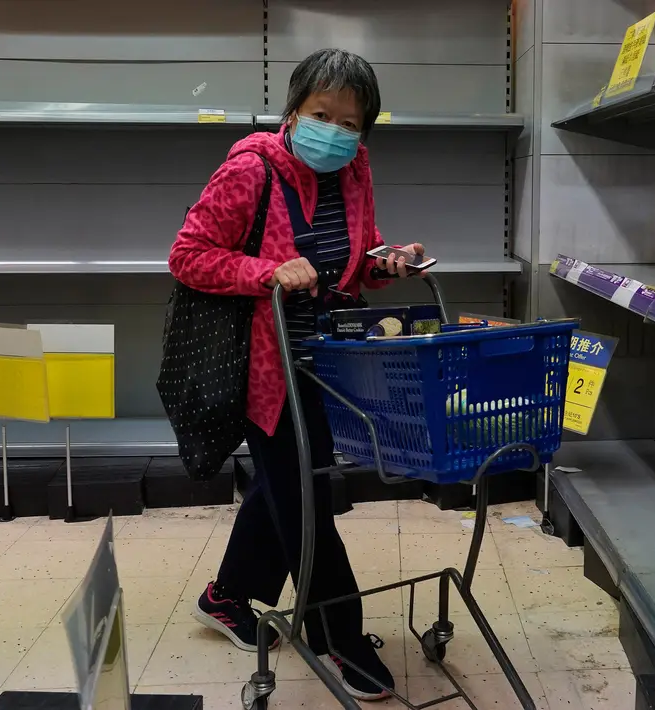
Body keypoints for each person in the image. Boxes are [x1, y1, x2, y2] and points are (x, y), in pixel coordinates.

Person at [169, 48, 423, 701]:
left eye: (350, 121)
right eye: (320, 113)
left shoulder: (353, 171)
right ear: (292, 109)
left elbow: (351, 262)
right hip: (267, 365)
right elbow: (188, 256)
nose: (334, 131)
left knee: (286, 484)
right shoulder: (250, 170)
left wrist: (387, 262)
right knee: (308, 499)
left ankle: (225, 598)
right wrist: (265, 271)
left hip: (329, 362)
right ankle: (335, 638)